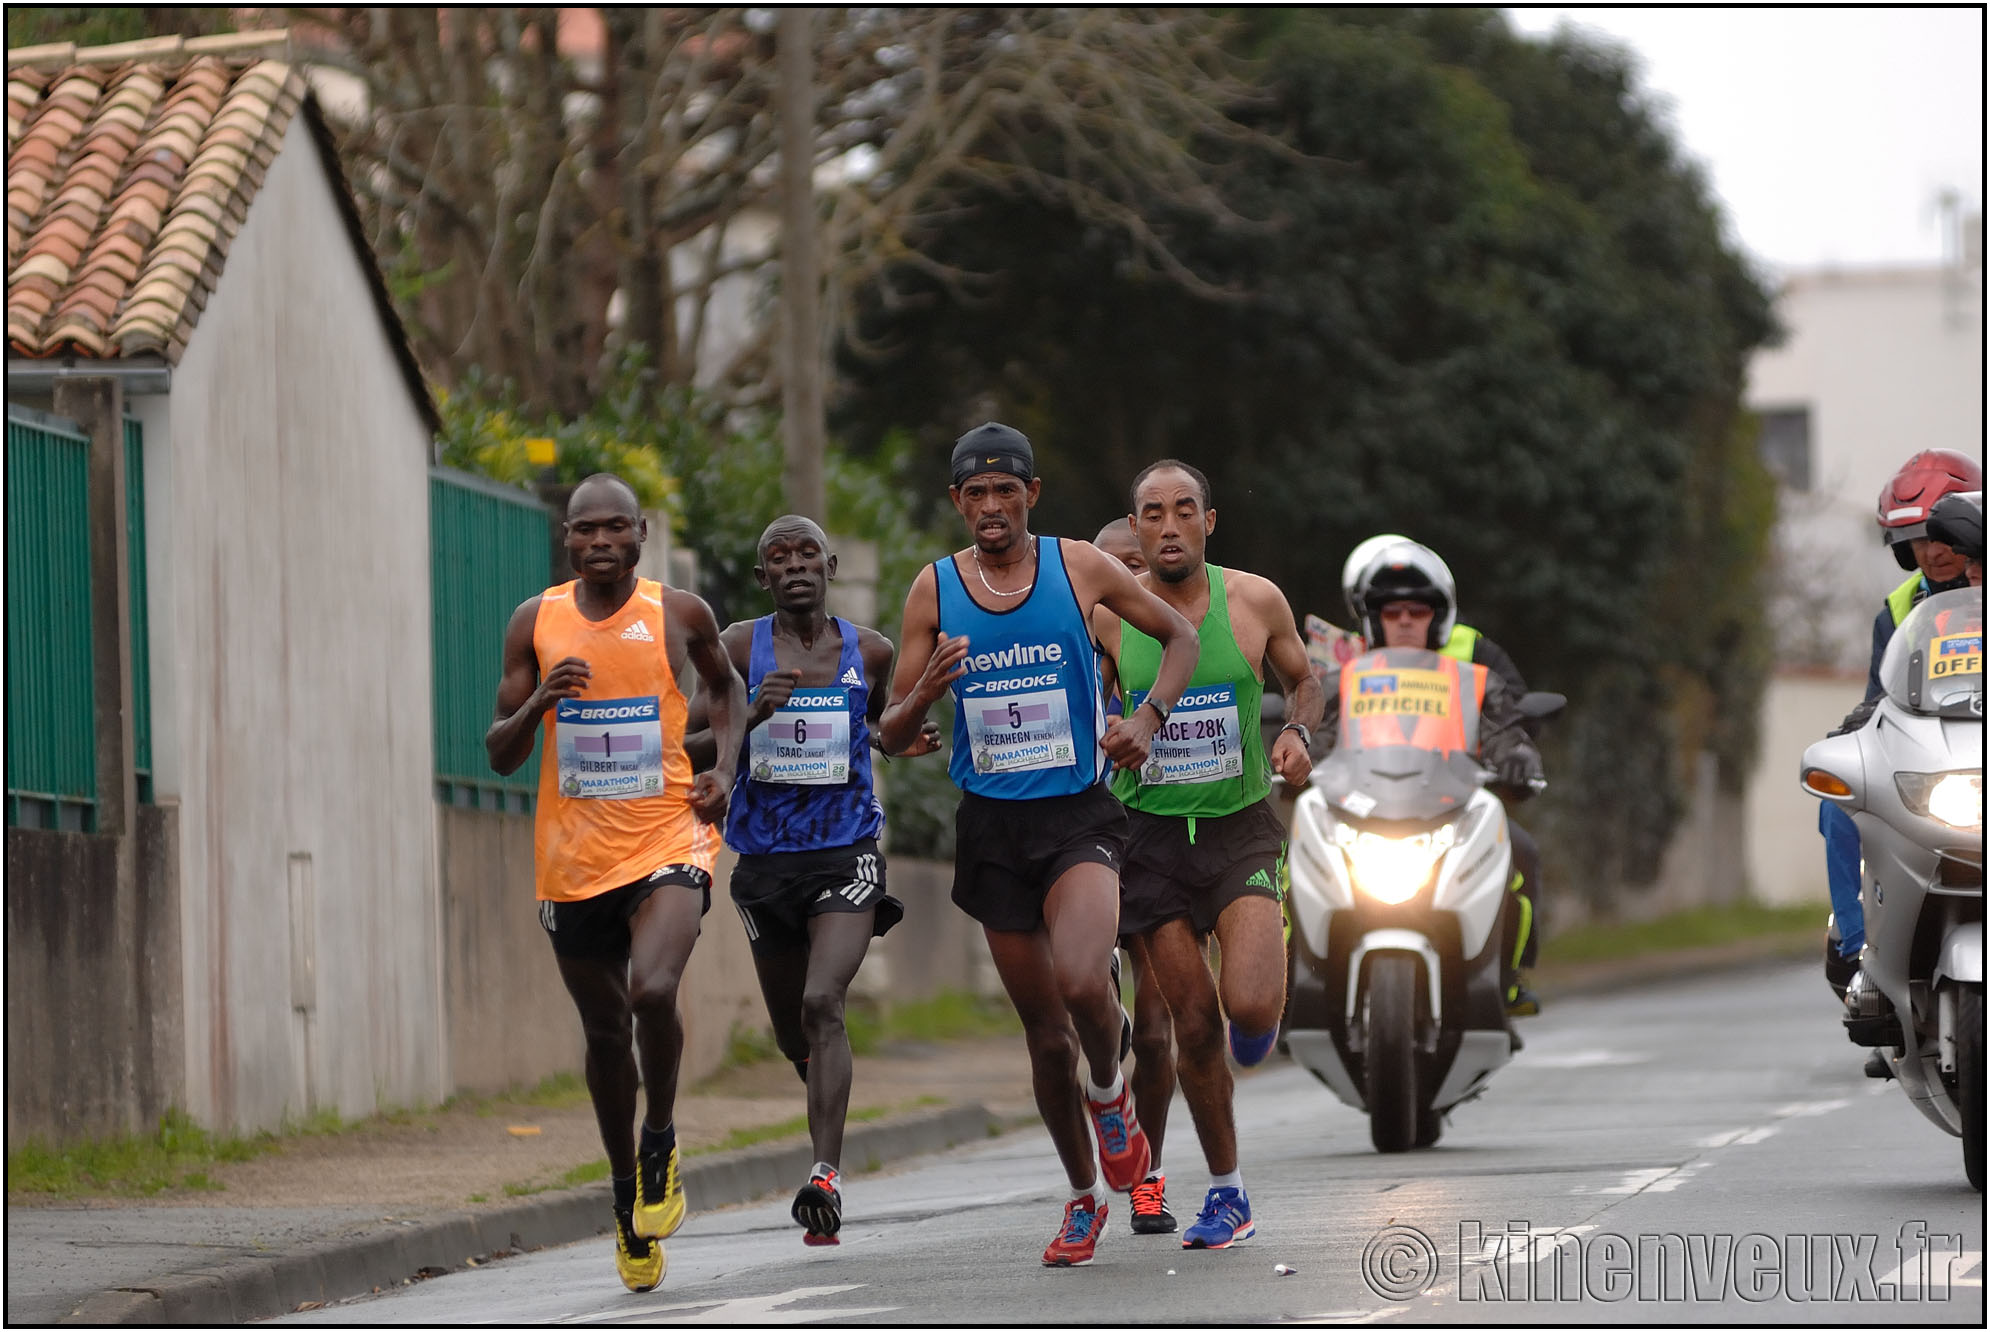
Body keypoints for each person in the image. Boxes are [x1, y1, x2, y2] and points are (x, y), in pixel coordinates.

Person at [879, 423, 1198, 1268]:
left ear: (1032, 494)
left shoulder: (1078, 567)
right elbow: (890, 727)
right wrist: (926, 697)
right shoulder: (933, 590)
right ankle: (1083, 1197)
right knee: (1042, 1033)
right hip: (991, 828)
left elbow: (1182, 639)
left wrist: (1147, 718)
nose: (991, 506)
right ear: (957, 502)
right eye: (975, 494)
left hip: (1078, 815)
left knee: (1082, 980)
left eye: (1005, 491)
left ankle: (1112, 1096)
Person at [485, 473, 747, 1293]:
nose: (599, 542)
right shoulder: (537, 621)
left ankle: (661, 1139)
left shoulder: (680, 615)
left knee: (653, 991)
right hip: (572, 863)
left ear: (640, 534)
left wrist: (727, 773)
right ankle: (625, 1193)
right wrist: (540, 708)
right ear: (568, 538)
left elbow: (726, 690)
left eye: (613, 529)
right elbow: (497, 749)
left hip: (669, 836)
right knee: (604, 1038)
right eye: (583, 531)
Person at [685, 515, 941, 1245]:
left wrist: (900, 741)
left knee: (824, 999)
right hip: (764, 863)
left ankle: (824, 1175)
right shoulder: (737, 647)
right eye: (778, 557)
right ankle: (824, 1097)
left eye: (806, 553)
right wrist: (751, 714)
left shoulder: (872, 650)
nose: (794, 565)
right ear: (763, 576)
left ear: (829, 563)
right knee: (794, 1033)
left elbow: (874, 727)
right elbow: (686, 741)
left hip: (846, 850)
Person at [1094, 460, 1325, 1251]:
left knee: (1251, 1012)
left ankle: (1266, 975)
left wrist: (1297, 730)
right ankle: (1228, 1194)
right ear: (1136, 526)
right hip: (1149, 842)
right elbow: (1066, 691)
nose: (1166, 526)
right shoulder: (1108, 617)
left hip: (1238, 827)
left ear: (1208, 521)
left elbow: (1305, 679)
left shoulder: (1253, 600)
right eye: (1150, 513)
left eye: (1182, 510)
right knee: (1193, 1027)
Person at [1336, 536, 1549, 1015]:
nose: (1405, 620)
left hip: (1456, 800)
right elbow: (1313, 723)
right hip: (1364, 803)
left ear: (1440, 607)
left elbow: (1511, 720)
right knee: (1291, 865)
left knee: (1521, 854)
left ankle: (1505, 979)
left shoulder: (1475, 652)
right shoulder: (1342, 663)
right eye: (1388, 609)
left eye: (1418, 608)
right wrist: (1296, 757)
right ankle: (1291, 993)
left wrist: (1516, 756)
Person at [1820, 450, 1980, 1021]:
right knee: (1839, 805)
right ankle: (1862, 955)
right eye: (1917, 540)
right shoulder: (1897, 609)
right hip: (1935, 758)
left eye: (1944, 537)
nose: (1932, 552)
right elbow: (1877, 696)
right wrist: (1856, 728)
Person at [1093, 520, 1179, 1236]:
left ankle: (1148, 1182)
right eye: (1109, 571)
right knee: (1091, 1017)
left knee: (1154, 1034)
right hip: (1084, 844)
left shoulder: (1177, 645)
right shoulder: (1067, 647)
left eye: (1135, 569)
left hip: (1156, 843)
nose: (1124, 585)